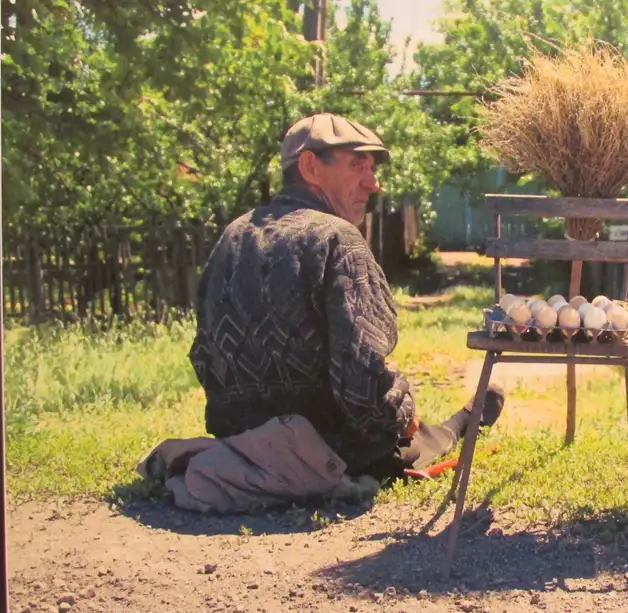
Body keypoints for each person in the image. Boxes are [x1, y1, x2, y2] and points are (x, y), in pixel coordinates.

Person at [187, 112, 504, 482]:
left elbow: (204, 355)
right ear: (310, 166)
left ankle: (464, 417)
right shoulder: (337, 238)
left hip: (240, 444)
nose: (373, 184)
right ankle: (466, 421)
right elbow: (362, 383)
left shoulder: (233, 235)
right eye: (357, 165)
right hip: (329, 450)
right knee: (420, 438)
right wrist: (398, 419)